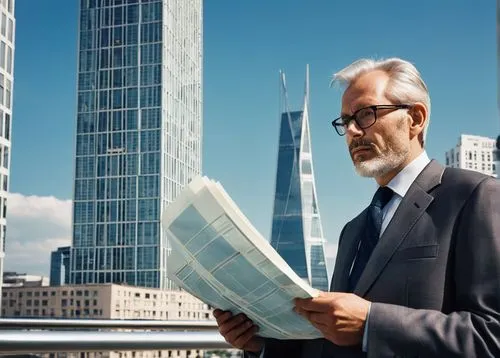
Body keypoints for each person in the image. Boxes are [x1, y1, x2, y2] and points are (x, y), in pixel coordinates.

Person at [213, 57, 500, 357]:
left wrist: (371, 324)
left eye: (365, 114)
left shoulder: (476, 196)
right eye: (345, 121)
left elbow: (492, 334)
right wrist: (260, 344)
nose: (351, 131)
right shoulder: (354, 230)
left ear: (415, 118)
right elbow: (335, 342)